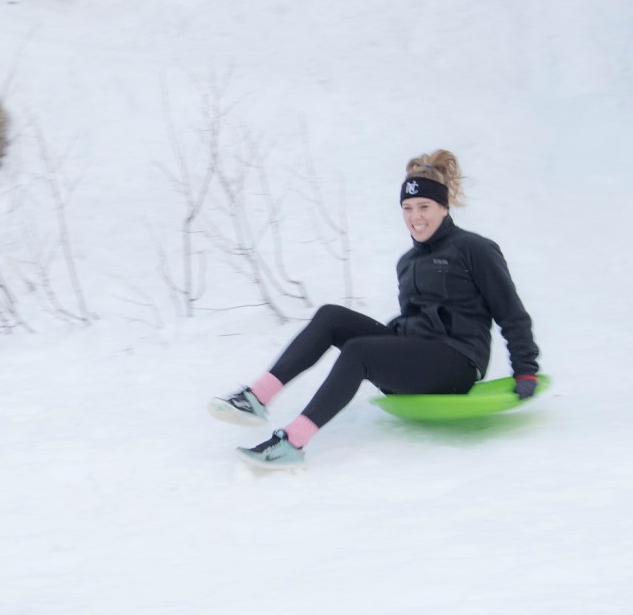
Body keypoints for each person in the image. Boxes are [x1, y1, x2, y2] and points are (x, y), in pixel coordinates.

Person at [209, 150, 540, 469]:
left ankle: (291, 444)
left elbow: (510, 311)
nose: (415, 217)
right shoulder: (408, 262)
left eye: (424, 206)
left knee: (359, 351)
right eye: (408, 208)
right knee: (330, 316)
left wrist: (525, 368)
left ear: (444, 207)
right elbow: (416, 319)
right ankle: (256, 397)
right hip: (420, 357)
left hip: (457, 362)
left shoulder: (474, 249)